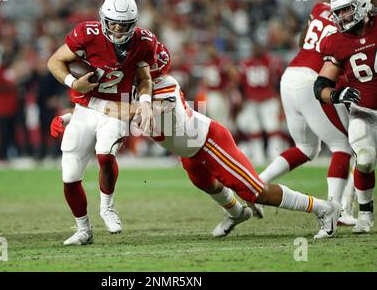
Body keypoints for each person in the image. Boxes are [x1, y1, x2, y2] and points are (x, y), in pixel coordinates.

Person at [52, 43, 342, 240]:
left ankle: (324, 208)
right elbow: (110, 115)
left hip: (208, 143)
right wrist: (69, 119)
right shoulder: (135, 90)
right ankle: (235, 214)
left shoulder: (164, 89)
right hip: (188, 148)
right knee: (205, 183)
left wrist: (85, 106)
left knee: (256, 192)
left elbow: (132, 113)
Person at [47, 0, 156, 245]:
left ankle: (107, 207)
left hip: (117, 107)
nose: (118, 29)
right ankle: (83, 230)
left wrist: (146, 103)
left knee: (105, 152)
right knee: (70, 174)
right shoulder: (87, 33)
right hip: (86, 107)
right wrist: (74, 83)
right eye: (114, 22)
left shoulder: (144, 41)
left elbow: (144, 79)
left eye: (124, 24)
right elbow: (54, 61)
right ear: (103, 19)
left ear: (134, 23)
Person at [258, 0, 355, 224]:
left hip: (290, 75)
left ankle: (256, 184)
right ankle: (335, 209)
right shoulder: (350, 25)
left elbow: (304, 38)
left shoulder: (320, 7)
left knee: (306, 148)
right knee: (342, 146)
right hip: (312, 78)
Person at [314, 0, 377, 234]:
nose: (341, 17)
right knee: (365, 159)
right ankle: (365, 214)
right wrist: (337, 96)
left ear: (363, 3)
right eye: (338, 12)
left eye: (346, 9)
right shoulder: (336, 42)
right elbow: (320, 86)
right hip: (365, 111)